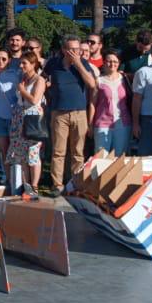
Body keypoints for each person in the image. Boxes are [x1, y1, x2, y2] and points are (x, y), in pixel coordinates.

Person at [45, 37, 97, 189]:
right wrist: (49, 98)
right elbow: (42, 80)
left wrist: (78, 64)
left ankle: (75, 184)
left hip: (79, 113)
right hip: (59, 113)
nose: (75, 52)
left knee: (78, 152)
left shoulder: (83, 63)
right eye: (72, 49)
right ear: (64, 50)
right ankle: (57, 185)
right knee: (58, 151)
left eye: (77, 49)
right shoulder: (53, 63)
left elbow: (92, 84)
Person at [7, 50, 47, 195]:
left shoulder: (39, 80)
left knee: (33, 153)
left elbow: (35, 100)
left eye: (24, 63)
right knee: (22, 154)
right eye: (21, 63)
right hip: (20, 117)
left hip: (33, 118)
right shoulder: (23, 79)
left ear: (33, 64)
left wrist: (22, 90)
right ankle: (26, 185)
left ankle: (34, 186)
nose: (21, 66)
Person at [91, 51, 131, 155]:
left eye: (115, 61)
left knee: (119, 157)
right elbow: (92, 104)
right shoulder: (99, 80)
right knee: (101, 157)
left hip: (123, 123)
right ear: (104, 62)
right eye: (109, 61)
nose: (112, 64)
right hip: (102, 123)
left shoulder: (124, 79)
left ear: (119, 63)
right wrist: (90, 125)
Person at [0, 47, 20, 185]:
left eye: (4, 59)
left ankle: (18, 180)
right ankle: (7, 179)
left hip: (13, 117)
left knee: (15, 151)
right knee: (3, 150)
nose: (0, 61)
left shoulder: (15, 75)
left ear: (9, 60)